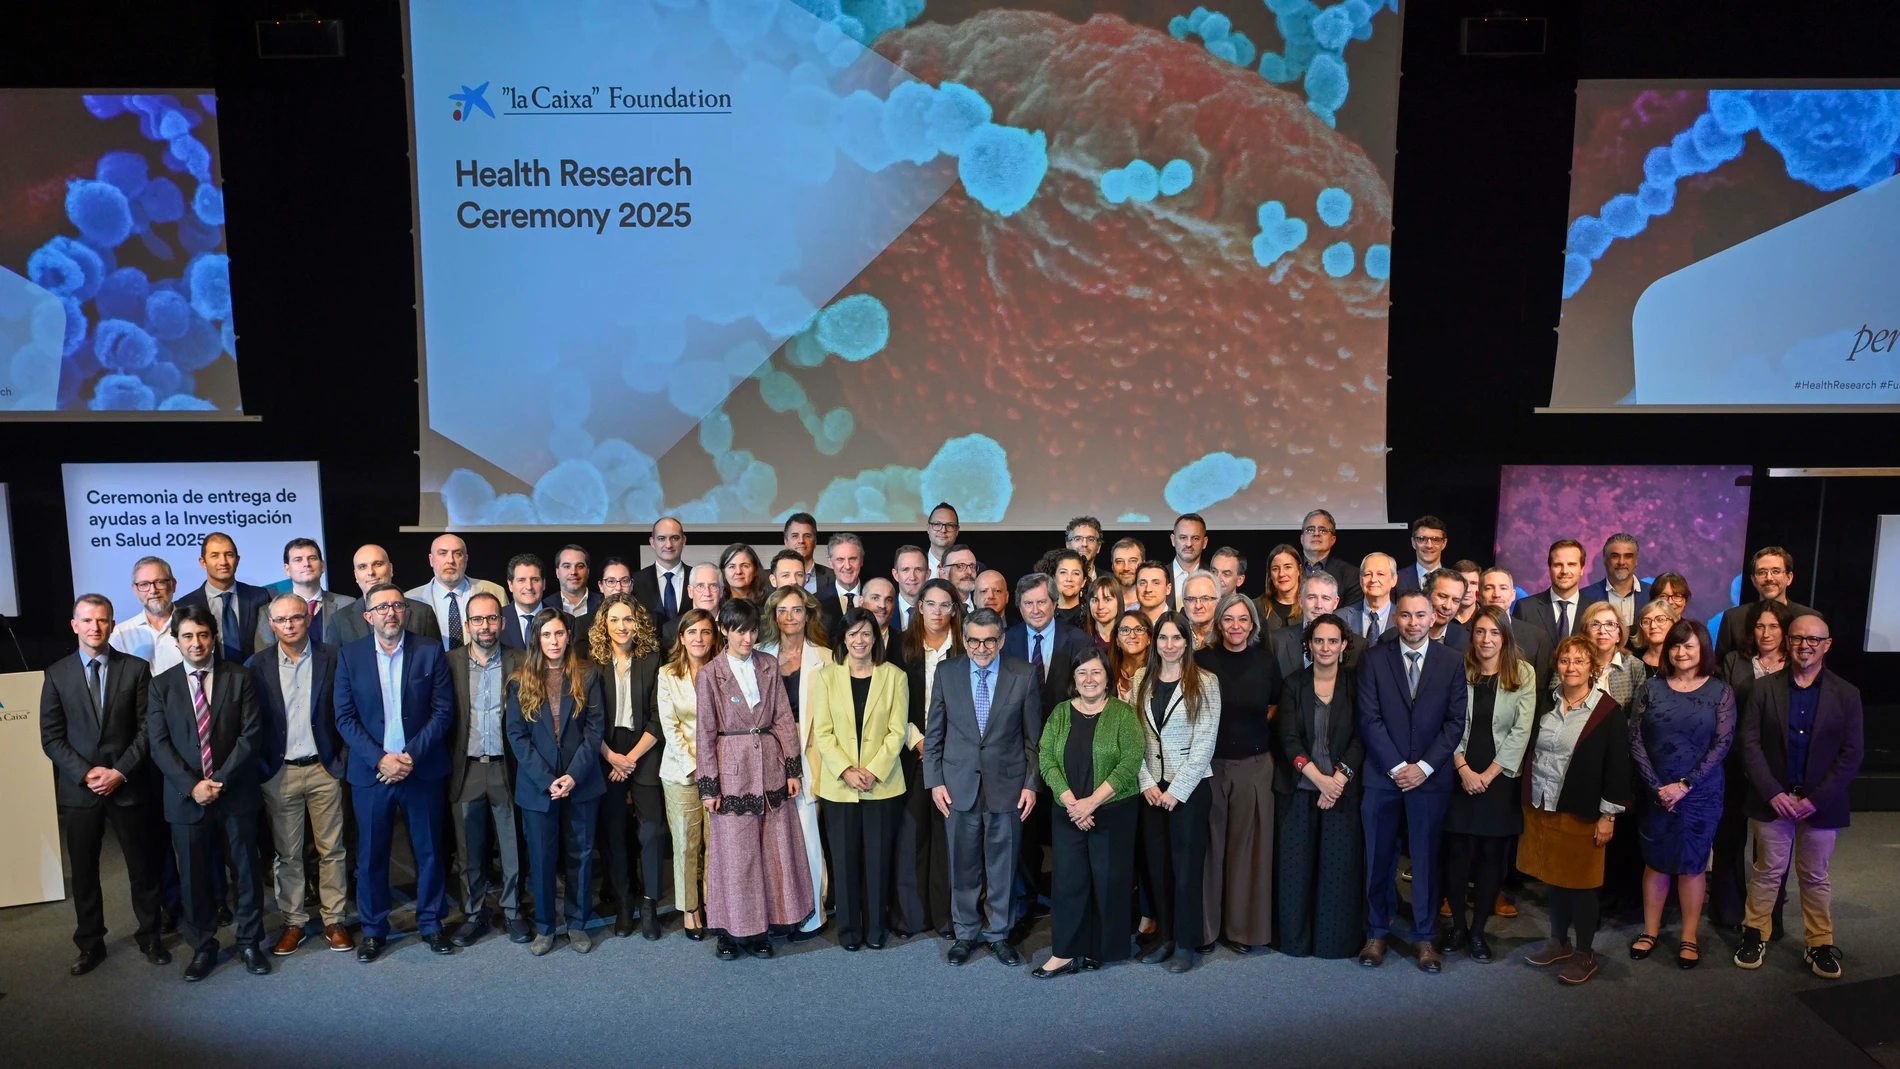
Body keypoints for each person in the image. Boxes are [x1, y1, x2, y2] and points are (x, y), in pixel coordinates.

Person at [41, 594, 166, 974]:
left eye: (103, 620)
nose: (95, 627)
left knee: (143, 868)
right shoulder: (56, 674)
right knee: (84, 872)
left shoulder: (136, 669)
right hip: (80, 792)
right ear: (74, 625)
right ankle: (90, 944)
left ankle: (150, 937)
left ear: (112, 625)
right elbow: (51, 736)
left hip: (127, 785)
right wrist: (85, 773)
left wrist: (119, 771)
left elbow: (148, 729)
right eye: (88, 621)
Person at [1734, 613, 1862, 978]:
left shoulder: (1847, 694)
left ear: (1827, 645)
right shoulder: (1763, 688)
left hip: (1822, 805)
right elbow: (1750, 744)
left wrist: (1816, 799)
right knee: (1767, 871)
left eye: (1814, 640)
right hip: (1772, 801)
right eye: (1798, 638)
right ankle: (1754, 933)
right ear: (1788, 642)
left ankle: (1819, 943)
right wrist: (1772, 792)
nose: (1805, 645)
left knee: (1815, 876)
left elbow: (1852, 753)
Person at [333, 583, 456, 962]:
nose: (390, 613)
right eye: (382, 607)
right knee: (371, 855)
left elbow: (443, 712)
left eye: (397, 606)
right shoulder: (349, 656)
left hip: (420, 770)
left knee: (430, 851)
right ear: (368, 616)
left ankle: (432, 923)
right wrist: (380, 759)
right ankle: (373, 930)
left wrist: (409, 757)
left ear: (406, 611)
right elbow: (344, 717)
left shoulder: (430, 651)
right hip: (373, 774)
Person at [146, 604, 267, 980]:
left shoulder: (240, 677)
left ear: (214, 637)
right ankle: (203, 945)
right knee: (193, 877)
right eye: (187, 636)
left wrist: (219, 780)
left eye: (203, 635)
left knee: (246, 871)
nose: (196, 643)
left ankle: (250, 942)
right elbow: (158, 743)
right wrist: (193, 786)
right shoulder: (160, 685)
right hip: (186, 797)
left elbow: (250, 735)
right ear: (176, 640)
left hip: (235, 791)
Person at [696, 599, 814, 960]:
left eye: (751, 630)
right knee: (735, 856)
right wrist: (709, 786)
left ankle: (762, 928)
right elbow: (705, 733)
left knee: (771, 852)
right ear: (724, 631)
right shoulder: (710, 674)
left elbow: (782, 717)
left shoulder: (768, 664)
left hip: (772, 769)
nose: (747, 638)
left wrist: (793, 769)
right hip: (732, 774)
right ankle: (731, 932)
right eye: (739, 631)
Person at [1355, 588, 1465, 973]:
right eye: (1406, 615)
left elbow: (1455, 723)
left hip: (1430, 780)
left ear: (1433, 617)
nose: (1414, 622)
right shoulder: (1372, 660)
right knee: (1378, 860)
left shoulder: (1452, 661)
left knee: (1426, 859)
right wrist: (1398, 766)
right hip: (1383, 777)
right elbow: (1369, 719)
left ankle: (1424, 937)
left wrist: (1425, 767)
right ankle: (1377, 931)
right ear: (1395, 618)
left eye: (1421, 615)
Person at [925, 607, 1041, 966]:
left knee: (1003, 866)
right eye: (973, 640)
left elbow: (1033, 739)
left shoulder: (1023, 674)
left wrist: (1031, 784)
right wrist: (935, 782)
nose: (981, 647)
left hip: (1007, 787)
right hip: (957, 787)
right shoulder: (947, 672)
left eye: (989, 640)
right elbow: (935, 735)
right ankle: (965, 933)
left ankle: (999, 933)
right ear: (964, 639)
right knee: (963, 865)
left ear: (1001, 639)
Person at [1520, 636, 1632, 986]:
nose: (1571, 667)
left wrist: (1608, 815)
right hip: (1544, 804)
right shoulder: (1545, 704)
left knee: (1582, 884)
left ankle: (1585, 952)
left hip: (1583, 810)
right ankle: (1559, 941)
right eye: (1565, 661)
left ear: (1592, 668)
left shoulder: (1607, 712)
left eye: (1579, 661)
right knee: (1555, 877)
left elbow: (1617, 768)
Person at [247, 593, 351, 956]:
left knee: (331, 850)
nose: (289, 625)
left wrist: (341, 760)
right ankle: (293, 923)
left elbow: (347, 713)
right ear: (271, 624)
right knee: (287, 854)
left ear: (308, 618)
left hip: (324, 769)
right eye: (281, 620)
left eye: (296, 618)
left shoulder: (334, 658)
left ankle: (334, 919)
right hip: (280, 772)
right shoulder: (255, 665)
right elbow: (251, 724)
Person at [1628, 619, 1735, 970]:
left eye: (1689, 645)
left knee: (1692, 865)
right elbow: (1635, 738)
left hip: (1700, 793)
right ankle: (1650, 931)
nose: (1681, 652)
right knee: (1655, 863)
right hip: (1655, 791)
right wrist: (1657, 786)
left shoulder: (1720, 690)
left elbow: (1722, 743)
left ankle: (1689, 936)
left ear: (1703, 648)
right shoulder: (1652, 688)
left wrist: (1685, 785)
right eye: (1675, 645)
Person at [1032, 647, 1144, 976]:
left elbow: (1130, 762)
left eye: (1096, 672)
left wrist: (1092, 802)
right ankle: (1064, 952)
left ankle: (1101, 949)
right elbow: (1046, 758)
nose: (1089, 679)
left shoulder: (1123, 714)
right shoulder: (1061, 713)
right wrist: (1071, 802)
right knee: (1068, 882)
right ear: (1074, 680)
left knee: (1108, 881)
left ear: (1108, 677)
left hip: (1112, 811)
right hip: (1068, 812)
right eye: (1082, 673)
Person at [1437, 606, 1535, 963]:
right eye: (1479, 632)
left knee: (1492, 857)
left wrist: (1489, 774)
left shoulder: (1523, 673)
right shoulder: (1458, 669)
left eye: (1494, 632)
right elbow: (1447, 721)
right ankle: (1458, 927)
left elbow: (1521, 730)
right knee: (1457, 855)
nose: (1486, 639)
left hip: (1499, 779)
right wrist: (1462, 767)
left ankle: (1479, 932)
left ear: (1505, 636)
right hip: (1458, 774)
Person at [505, 609, 607, 954]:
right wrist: (547, 779)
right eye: (546, 634)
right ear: (536, 638)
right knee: (542, 858)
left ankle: (578, 924)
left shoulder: (586, 674)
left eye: (559, 634)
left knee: (580, 855)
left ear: (568, 636)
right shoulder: (520, 680)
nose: (553, 641)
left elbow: (595, 731)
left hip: (581, 782)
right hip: (538, 787)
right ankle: (546, 926)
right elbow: (517, 736)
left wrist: (572, 776)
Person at [810, 608, 910, 951]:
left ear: (876, 638)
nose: (859, 640)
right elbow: (822, 733)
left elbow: (898, 732)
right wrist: (846, 771)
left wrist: (873, 770)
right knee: (845, 859)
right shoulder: (824, 678)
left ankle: (875, 930)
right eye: (852, 634)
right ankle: (850, 932)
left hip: (882, 785)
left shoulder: (895, 676)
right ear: (843, 638)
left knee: (878, 860)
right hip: (839, 786)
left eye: (866, 633)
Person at [1003, 572, 1095, 937]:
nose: (1036, 609)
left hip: (1068, 754)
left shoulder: (1079, 640)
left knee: (1067, 833)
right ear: (1019, 606)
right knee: (1023, 836)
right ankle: (1024, 906)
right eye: (1028, 603)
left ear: (1055, 604)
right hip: (1019, 756)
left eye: (1042, 601)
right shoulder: (1006, 641)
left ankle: (1070, 909)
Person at [1133, 613, 1222, 972]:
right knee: (1158, 868)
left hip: (1189, 790)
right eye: (1163, 638)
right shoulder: (1142, 678)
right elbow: (1134, 738)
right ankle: (1165, 936)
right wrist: (1146, 783)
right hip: (1152, 790)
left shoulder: (1205, 681)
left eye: (1177, 638)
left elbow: (1205, 742)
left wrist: (1177, 790)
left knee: (1186, 869)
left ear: (1189, 641)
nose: (1170, 645)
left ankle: (1186, 943)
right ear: (1155, 642)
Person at [1272, 613, 1363, 960]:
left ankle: (1332, 945)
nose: (1325, 647)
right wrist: (1320, 780)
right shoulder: (1293, 683)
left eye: (1333, 641)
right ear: (1308, 645)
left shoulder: (1356, 684)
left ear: (1344, 646)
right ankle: (1295, 942)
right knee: (1296, 871)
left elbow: (1360, 738)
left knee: (1337, 872)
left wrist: (1338, 780)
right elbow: (1288, 739)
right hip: (1299, 790)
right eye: (1319, 640)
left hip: (1342, 792)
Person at [1195, 596, 1282, 956]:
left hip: (1253, 765)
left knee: (1246, 851)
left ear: (1252, 625)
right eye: (1228, 619)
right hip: (1208, 765)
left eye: (1242, 620)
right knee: (1208, 850)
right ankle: (1204, 929)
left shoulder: (1265, 662)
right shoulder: (1201, 660)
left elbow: (1274, 706)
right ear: (1219, 623)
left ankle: (1241, 930)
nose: (1235, 625)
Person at [444, 591, 529, 946]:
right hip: (466, 769)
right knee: (469, 849)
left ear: (503, 622)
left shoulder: (522, 661)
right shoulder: (448, 662)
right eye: (477, 619)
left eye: (492, 618)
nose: (485, 626)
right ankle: (475, 912)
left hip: (507, 767)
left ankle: (512, 911)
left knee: (511, 846)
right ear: (466, 625)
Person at [591, 594, 667, 940]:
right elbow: (589, 720)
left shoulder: (653, 660)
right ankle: (624, 901)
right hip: (606, 753)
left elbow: (658, 718)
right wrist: (611, 757)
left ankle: (650, 902)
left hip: (645, 751)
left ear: (639, 623)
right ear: (604, 626)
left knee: (650, 832)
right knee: (614, 833)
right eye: (615, 620)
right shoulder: (593, 662)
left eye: (628, 619)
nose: (622, 626)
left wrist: (630, 758)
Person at [760, 585, 833, 939]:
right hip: (767, 758)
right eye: (783, 610)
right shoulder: (759, 655)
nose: (790, 617)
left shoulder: (827, 657)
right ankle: (778, 913)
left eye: (797, 610)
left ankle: (813, 914)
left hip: (811, 757)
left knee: (808, 838)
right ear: (774, 615)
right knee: (773, 840)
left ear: (809, 614)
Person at [1712, 601, 1788, 930]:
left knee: (1771, 849)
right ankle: (1728, 913)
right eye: (1759, 626)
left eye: (1773, 627)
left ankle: (1767, 919)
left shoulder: (1795, 665)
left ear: (1784, 632)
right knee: (1729, 840)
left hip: (1777, 773)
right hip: (1734, 766)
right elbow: (1722, 713)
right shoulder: (1734, 662)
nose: (1766, 633)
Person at [896, 579, 964, 938]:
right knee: (912, 835)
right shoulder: (900, 645)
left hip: (955, 756)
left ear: (954, 610)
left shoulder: (965, 649)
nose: (937, 612)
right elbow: (891, 703)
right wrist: (919, 742)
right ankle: (912, 916)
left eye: (945, 605)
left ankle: (946, 918)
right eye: (931, 604)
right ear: (919, 606)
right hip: (911, 753)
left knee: (948, 839)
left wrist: (944, 748)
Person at [657, 608, 717, 941]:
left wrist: (714, 768)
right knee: (686, 843)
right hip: (681, 772)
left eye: (705, 632)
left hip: (720, 773)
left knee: (715, 843)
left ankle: (712, 902)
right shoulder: (668, 674)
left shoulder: (724, 671)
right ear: (681, 637)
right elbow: (670, 726)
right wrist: (695, 766)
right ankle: (690, 908)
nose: (699, 638)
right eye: (692, 632)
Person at [175, 532, 272, 664]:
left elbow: (269, 644)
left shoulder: (259, 596)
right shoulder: (185, 605)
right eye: (215, 556)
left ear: (237, 560)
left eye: (229, 555)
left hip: (255, 678)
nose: (223, 562)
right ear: (203, 562)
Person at [405, 534, 506, 651]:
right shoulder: (410, 599)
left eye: (457, 554)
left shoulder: (495, 591)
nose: (450, 560)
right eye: (443, 553)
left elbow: (505, 638)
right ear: (431, 560)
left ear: (466, 559)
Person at [252, 538, 355, 650]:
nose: (306, 564)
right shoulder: (269, 612)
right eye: (298, 560)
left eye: (312, 558)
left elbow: (354, 650)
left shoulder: (347, 604)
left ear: (322, 566)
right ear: (287, 570)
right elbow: (264, 660)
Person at [1716, 547, 1810, 660]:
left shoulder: (1809, 618)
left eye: (1776, 571)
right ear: (1753, 579)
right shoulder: (1734, 618)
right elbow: (1719, 667)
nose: (1769, 578)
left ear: (1789, 578)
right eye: (1762, 572)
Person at [335, 545, 439, 645]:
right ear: (356, 575)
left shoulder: (423, 613)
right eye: (362, 567)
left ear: (390, 569)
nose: (371, 572)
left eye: (377, 564)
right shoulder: (338, 620)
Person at [1272, 572, 1368, 677]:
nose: (1318, 605)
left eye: (1325, 598)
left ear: (1335, 603)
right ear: (1300, 601)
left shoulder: (1357, 646)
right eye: (1312, 597)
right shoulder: (1277, 641)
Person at [1480, 566, 1550, 692]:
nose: (1496, 594)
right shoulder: (1461, 634)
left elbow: (1540, 689)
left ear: (1513, 595)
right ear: (1478, 595)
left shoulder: (1536, 636)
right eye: (1489, 588)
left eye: (1503, 588)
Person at [111, 556, 185, 674]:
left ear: (173, 585)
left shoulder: (194, 628)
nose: (153, 590)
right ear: (135, 590)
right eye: (144, 584)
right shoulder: (121, 634)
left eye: (160, 582)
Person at [1516, 539, 1588, 650]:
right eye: (1558, 565)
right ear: (1549, 569)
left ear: (1582, 569)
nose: (1564, 571)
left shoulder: (1594, 609)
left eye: (1571, 564)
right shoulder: (1526, 608)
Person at [1578, 600, 1647, 704]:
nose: (1602, 631)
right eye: (1595, 624)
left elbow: (1637, 714)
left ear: (1619, 635)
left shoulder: (1635, 666)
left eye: (1610, 624)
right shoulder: (1571, 662)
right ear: (1586, 633)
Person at [1580, 533, 1651, 631]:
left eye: (1628, 556)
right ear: (1605, 560)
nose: (1621, 562)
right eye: (1615, 556)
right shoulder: (1584, 597)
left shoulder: (1653, 594)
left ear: (1636, 561)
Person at [632, 517, 690, 623]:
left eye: (675, 538)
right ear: (652, 542)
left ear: (684, 541)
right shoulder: (636, 581)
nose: (668, 545)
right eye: (661, 538)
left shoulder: (696, 578)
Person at [1299, 509, 1361, 606]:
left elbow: (1349, 614)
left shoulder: (1350, 575)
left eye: (1323, 530)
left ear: (1333, 540)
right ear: (1302, 539)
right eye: (1310, 529)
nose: (1316, 534)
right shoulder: (1286, 570)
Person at [662, 563, 723, 650]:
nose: (707, 593)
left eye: (713, 586)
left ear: (721, 591)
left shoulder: (733, 626)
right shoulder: (671, 629)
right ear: (690, 591)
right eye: (700, 586)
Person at [1339, 553, 1396, 643]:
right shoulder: (1341, 617)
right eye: (1367, 574)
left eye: (1380, 574)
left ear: (1394, 580)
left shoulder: (1404, 618)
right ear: (1361, 580)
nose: (1373, 579)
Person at [1414, 568, 1472, 652]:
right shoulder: (1400, 632)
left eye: (1455, 600)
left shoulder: (1466, 641)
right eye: (1442, 596)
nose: (1447, 606)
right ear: (1427, 594)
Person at [500, 553, 549, 650]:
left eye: (535, 580)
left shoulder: (564, 619)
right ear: (510, 585)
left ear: (544, 584)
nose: (529, 587)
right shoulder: (496, 620)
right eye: (521, 580)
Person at [1393, 515, 1449, 595]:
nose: (1429, 545)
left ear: (1444, 543)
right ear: (1413, 542)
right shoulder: (1397, 579)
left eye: (1436, 540)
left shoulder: (1455, 580)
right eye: (1422, 539)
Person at [782, 512, 835, 595]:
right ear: (786, 542)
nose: (801, 541)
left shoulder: (833, 577)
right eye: (795, 536)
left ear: (815, 542)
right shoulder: (766, 579)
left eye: (807, 536)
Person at [548, 544, 601, 627]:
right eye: (567, 566)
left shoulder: (603, 603)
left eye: (580, 566)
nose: (573, 572)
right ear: (557, 572)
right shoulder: (545, 606)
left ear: (588, 572)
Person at [1256, 544, 1302, 632]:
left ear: (1299, 570)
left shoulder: (1310, 606)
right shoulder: (1257, 607)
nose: (1281, 574)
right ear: (1270, 575)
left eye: (1287, 567)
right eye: (1275, 569)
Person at [825, 532, 868, 622]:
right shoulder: (818, 601)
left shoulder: (873, 597)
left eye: (853, 559)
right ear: (830, 562)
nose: (847, 566)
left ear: (861, 561)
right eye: (840, 559)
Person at [1111, 610, 1152, 702]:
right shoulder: (1107, 672)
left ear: (1149, 638)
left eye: (1139, 629)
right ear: (1117, 640)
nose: (1132, 636)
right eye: (1125, 630)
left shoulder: (1158, 672)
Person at [861, 576, 903, 663]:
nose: (882, 605)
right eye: (875, 598)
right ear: (861, 601)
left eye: (888, 600)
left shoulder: (906, 644)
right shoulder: (843, 642)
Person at [1169, 513, 1209, 603]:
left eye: (1195, 538)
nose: (1189, 544)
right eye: (1183, 537)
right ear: (1173, 540)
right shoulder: (1160, 576)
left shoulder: (1214, 577)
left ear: (1205, 542)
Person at [1635, 599, 1682, 674]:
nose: (1653, 626)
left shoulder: (1682, 659)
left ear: (1673, 623)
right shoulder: (1633, 661)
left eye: (1660, 619)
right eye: (1646, 621)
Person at [1180, 571, 1222, 649]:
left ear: (1218, 602)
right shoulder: (1175, 636)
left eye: (1205, 598)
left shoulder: (1226, 636)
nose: (1198, 606)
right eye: (1191, 599)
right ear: (1183, 602)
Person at [1051, 550, 1090, 631]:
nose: (1069, 579)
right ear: (1054, 579)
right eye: (1063, 572)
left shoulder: (1091, 615)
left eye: (1076, 573)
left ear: (1083, 582)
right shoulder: (1045, 616)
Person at [1084, 575, 1124, 652]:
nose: (1100, 606)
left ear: (1119, 601)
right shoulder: (1081, 637)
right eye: (1095, 600)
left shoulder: (1128, 638)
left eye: (1107, 600)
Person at [924, 502, 961, 577]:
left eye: (950, 525)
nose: (943, 530)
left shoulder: (973, 569)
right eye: (937, 524)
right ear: (928, 528)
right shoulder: (914, 568)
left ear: (957, 531)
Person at [941, 545, 980, 611]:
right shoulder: (937, 609)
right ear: (944, 573)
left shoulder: (982, 605)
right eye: (960, 566)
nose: (969, 572)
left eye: (972, 566)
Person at [1109, 538, 1146, 606]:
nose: (1126, 568)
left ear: (1143, 564)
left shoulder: (1154, 602)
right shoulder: (1102, 604)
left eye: (1133, 561)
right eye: (1119, 561)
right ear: (1112, 566)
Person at [1134, 560, 1172, 625]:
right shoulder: (1126, 621)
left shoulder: (1178, 624)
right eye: (1143, 583)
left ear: (1168, 589)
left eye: (1156, 583)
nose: (1148, 589)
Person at [1452, 560, 1483, 630]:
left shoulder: (1486, 619)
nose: (1468, 590)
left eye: (1473, 583)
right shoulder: (1441, 617)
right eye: (1463, 582)